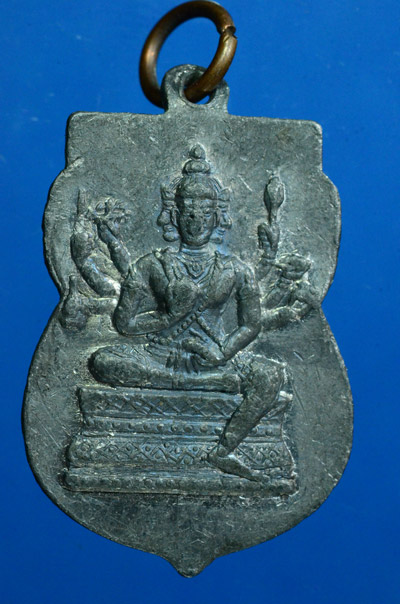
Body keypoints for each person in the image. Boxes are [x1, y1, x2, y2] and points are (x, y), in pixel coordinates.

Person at [90, 144, 286, 482]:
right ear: (174, 215)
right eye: (188, 212)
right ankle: (199, 384)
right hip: (160, 356)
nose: (196, 220)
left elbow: (251, 325)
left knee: (272, 375)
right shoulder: (151, 264)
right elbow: (124, 324)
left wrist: (223, 352)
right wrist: (168, 317)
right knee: (102, 361)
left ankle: (223, 450)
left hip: (215, 359)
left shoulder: (235, 269)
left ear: (218, 216)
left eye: (205, 212)